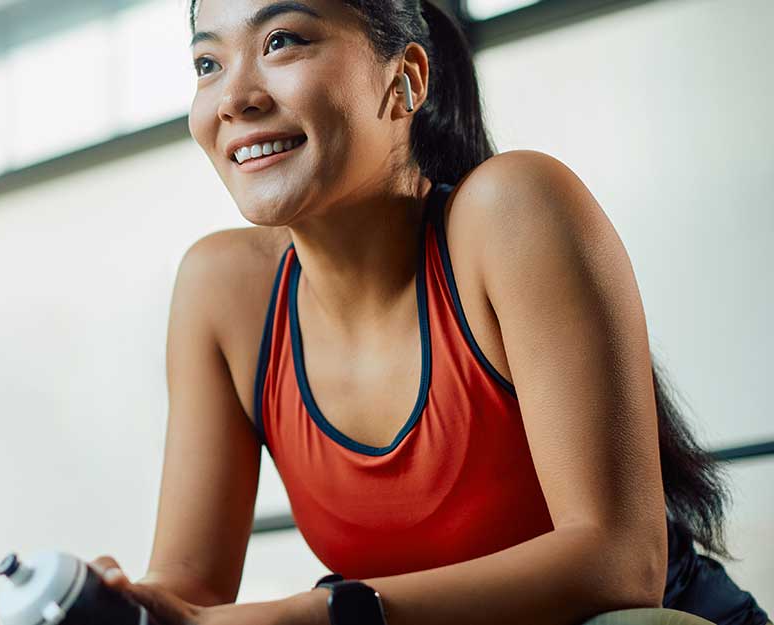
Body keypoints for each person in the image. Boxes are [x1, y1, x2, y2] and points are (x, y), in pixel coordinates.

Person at [88, 1, 770, 624]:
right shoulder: (221, 290)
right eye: (208, 63)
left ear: (406, 78)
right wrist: (129, 605)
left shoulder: (512, 211)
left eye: (282, 41)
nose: (233, 98)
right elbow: (192, 593)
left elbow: (623, 563)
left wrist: (321, 614)